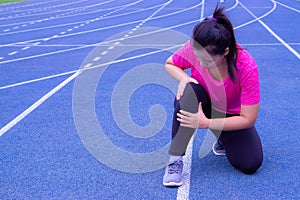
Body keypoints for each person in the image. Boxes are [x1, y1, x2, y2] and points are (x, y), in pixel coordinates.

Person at [163, 6, 263, 187]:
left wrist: (206, 123)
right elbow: (170, 64)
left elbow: (248, 118)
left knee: (251, 163)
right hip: (205, 102)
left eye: (207, 61)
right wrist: (185, 78)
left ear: (225, 52)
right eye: (197, 57)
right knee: (188, 93)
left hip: (230, 114)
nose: (200, 63)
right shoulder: (196, 49)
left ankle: (221, 137)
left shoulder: (246, 66)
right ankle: (175, 160)